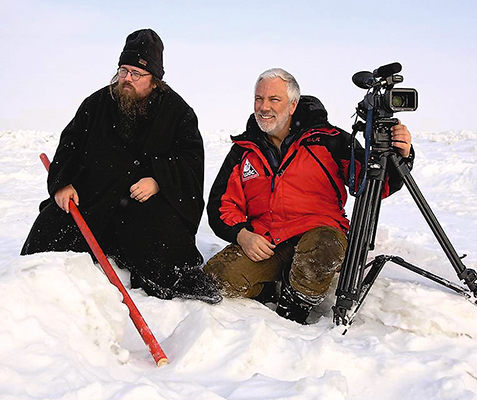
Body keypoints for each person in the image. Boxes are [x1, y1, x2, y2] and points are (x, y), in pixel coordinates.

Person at [21, 28, 221, 304]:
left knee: (166, 251)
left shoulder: (178, 112)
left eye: (136, 74)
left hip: (142, 204)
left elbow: (190, 160)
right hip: (94, 196)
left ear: (155, 80)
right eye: (123, 70)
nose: (127, 79)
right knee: (49, 232)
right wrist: (62, 184)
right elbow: (70, 143)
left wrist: (159, 180)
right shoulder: (97, 103)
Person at [203, 68, 413, 323]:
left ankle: (296, 304)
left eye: (273, 99)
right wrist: (242, 234)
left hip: (318, 233)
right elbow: (221, 204)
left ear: (293, 105)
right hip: (268, 240)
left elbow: (372, 183)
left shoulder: (328, 140)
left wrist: (400, 157)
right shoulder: (245, 150)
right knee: (217, 277)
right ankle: (271, 284)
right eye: (259, 99)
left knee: (323, 248)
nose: (263, 107)